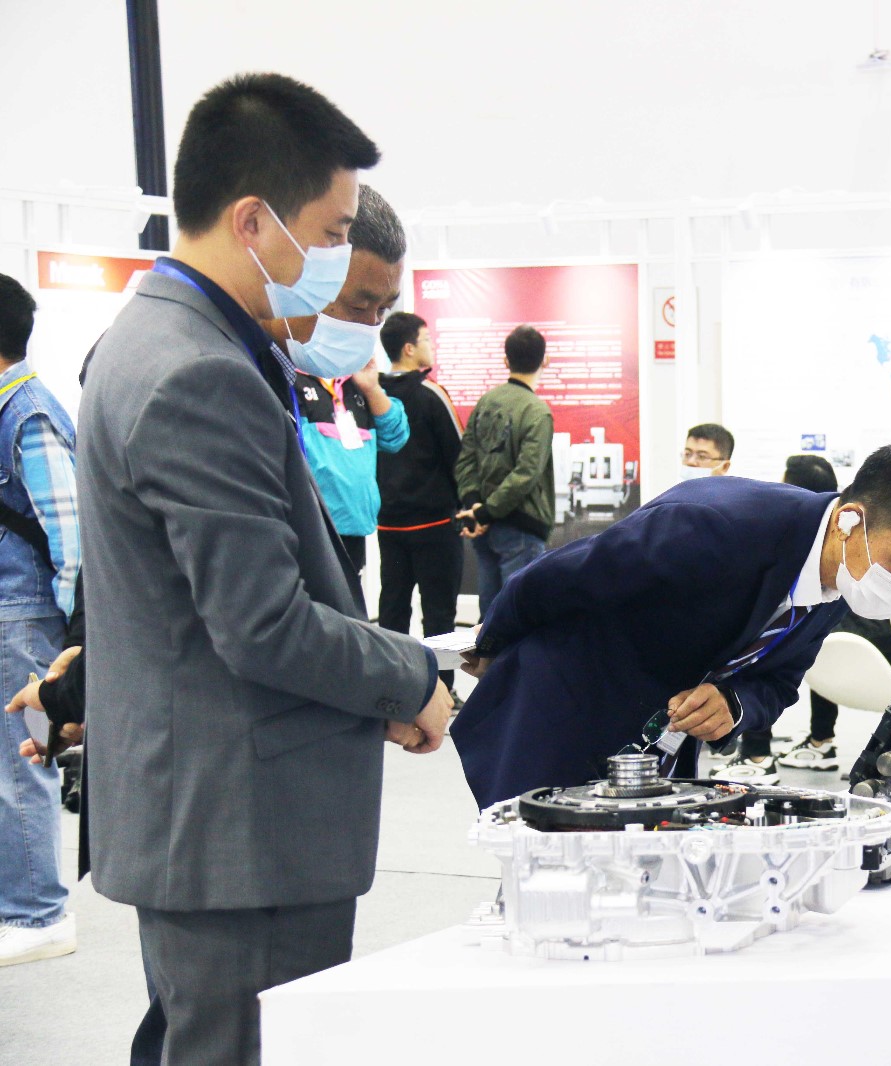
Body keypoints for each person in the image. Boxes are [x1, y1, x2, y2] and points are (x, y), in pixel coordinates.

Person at [76, 73, 454, 1066]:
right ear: (252, 221)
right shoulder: (198, 370)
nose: (333, 262)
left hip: (215, 814)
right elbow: (263, 624)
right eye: (330, 235)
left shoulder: (165, 340)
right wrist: (412, 674)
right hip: (242, 827)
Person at [451, 443, 891, 808]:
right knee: (549, 893)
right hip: (561, 716)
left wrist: (733, 704)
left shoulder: (841, 574)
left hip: (652, 755)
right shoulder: (715, 525)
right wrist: (493, 643)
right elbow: (559, 578)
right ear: (851, 521)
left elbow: (779, 682)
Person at [715, 453, 891, 783]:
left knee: (772, 650)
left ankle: (756, 754)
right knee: (814, 645)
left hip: (849, 653)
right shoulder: (857, 567)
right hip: (872, 651)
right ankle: (821, 740)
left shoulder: (798, 553)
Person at [278, 184, 410, 611]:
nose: (369, 325)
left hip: (354, 525)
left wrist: (372, 388)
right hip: (310, 528)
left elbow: (396, 436)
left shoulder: (356, 381)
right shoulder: (282, 378)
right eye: (358, 306)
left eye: (383, 311)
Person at [0, 273, 80, 967]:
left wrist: (75, 640)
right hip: (12, 611)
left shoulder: (29, 415)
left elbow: (70, 536)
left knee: (20, 764)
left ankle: (38, 913)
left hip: (24, 615)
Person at [376, 311, 464, 699]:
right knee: (440, 615)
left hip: (388, 525)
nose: (432, 346)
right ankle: (441, 691)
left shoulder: (371, 395)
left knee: (393, 611)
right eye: (427, 339)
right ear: (410, 349)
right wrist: (465, 506)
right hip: (433, 525)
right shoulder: (431, 394)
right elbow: (459, 456)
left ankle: (392, 688)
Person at [454, 325, 555, 619]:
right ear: (545, 360)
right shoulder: (537, 411)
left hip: (485, 527)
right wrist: (486, 512)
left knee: (489, 616)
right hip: (520, 527)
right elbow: (526, 474)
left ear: (505, 360)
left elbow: (466, 459)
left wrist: (476, 506)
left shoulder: (485, 403)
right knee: (519, 615)